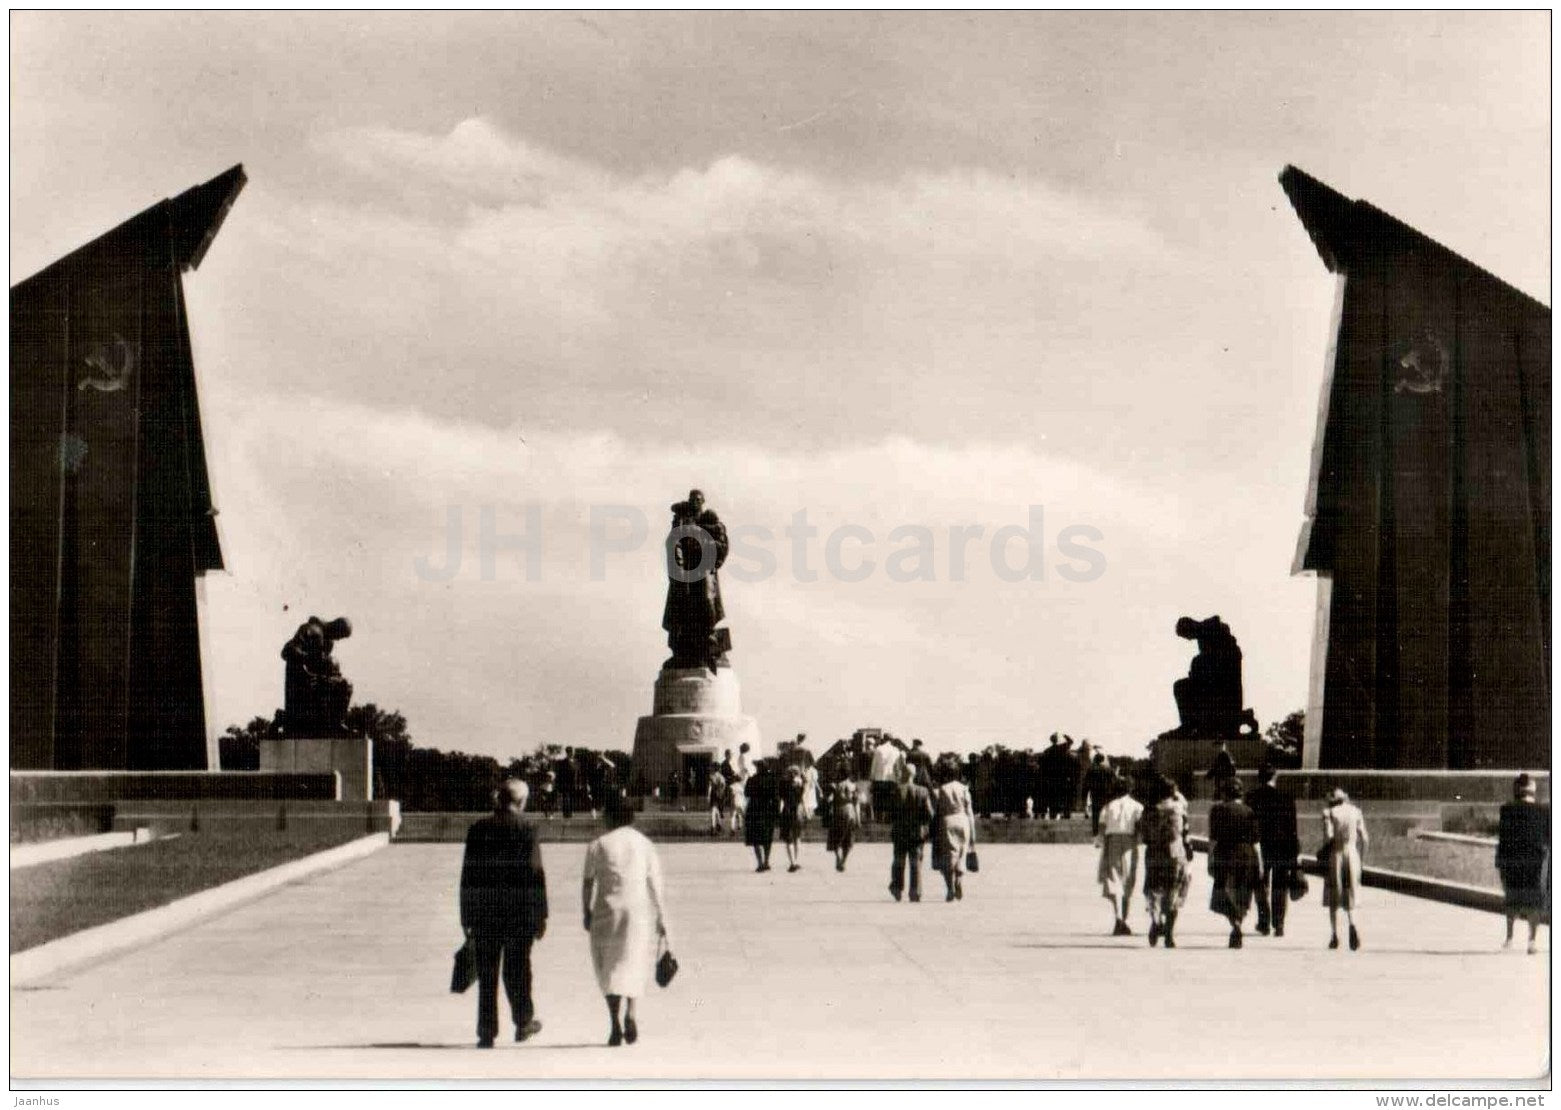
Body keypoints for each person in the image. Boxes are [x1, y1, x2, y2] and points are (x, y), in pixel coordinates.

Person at [459, 779, 548, 1048]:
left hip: (486, 913)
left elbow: (468, 876)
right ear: (521, 801)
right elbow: (535, 874)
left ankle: (486, 1031)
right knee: (518, 969)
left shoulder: (478, 828)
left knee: (487, 973)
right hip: (519, 914)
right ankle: (523, 1023)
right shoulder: (527, 828)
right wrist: (540, 915)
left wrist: (466, 915)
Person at [582, 792, 671, 1047]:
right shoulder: (643, 843)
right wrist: (661, 915)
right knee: (633, 961)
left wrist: (585, 911)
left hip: (606, 911)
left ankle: (614, 1023)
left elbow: (588, 882)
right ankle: (631, 1012)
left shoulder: (598, 844)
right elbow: (655, 882)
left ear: (609, 815)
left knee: (608, 965)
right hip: (637, 910)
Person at [1496, 773, 1549, 955]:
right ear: (1532, 791)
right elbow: (1548, 839)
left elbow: (1502, 839)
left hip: (1512, 861)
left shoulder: (1506, 810)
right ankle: (1532, 941)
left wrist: (1500, 863)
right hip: (1534, 860)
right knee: (1534, 903)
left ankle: (1510, 938)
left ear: (1516, 790)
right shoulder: (1544, 811)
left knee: (1512, 899)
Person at [1138, 774, 1193, 948]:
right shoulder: (1177, 809)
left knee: (1153, 888)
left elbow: (1143, 835)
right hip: (1174, 853)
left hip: (1153, 852)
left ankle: (1155, 919)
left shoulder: (1147, 811)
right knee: (1174, 889)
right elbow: (1184, 832)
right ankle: (1169, 932)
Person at [1207, 777, 1262, 948]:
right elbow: (1256, 842)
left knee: (1226, 891)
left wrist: (1210, 859)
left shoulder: (1217, 810)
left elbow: (1213, 840)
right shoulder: (1249, 811)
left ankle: (1235, 923)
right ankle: (1239, 919)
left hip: (1225, 853)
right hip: (1246, 854)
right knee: (1243, 892)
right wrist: (1260, 863)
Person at [1246, 765, 1300, 937]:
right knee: (1280, 886)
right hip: (1283, 848)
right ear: (1275, 777)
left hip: (1261, 847)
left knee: (1260, 885)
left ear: (1259, 777)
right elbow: (1293, 828)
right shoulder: (1286, 797)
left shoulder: (1251, 797)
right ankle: (1279, 924)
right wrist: (1296, 851)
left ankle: (1264, 921)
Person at [1321, 787, 1369, 951]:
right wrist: (1362, 858)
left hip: (1336, 854)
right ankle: (1352, 924)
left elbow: (1329, 836)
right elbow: (1365, 838)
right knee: (1351, 895)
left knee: (1334, 896)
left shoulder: (1329, 813)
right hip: (1353, 854)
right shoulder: (1356, 811)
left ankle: (1334, 935)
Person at [1096, 777, 1143, 935]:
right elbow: (1140, 826)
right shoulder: (1137, 806)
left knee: (1114, 879)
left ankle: (1118, 917)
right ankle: (1125, 919)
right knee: (1128, 880)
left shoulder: (1109, 806)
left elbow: (1102, 826)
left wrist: (1100, 842)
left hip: (1112, 841)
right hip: (1130, 842)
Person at [888, 761, 935, 903]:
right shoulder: (923, 791)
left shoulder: (896, 790)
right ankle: (915, 892)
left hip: (900, 830)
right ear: (914, 775)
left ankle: (897, 888)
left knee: (898, 860)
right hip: (917, 832)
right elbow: (929, 814)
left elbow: (890, 814)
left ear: (903, 773)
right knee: (915, 862)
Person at [931, 762, 977, 901]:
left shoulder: (941, 790)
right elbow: (970, 811)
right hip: (963, 820)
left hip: (947, 821)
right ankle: (959, 880)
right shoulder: (964, 789)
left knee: (948, 855)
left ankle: (950, 887)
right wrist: (973, 832)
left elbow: (937, 811)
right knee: (962, 853)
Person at [743, 759, 780, 872]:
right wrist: (776, 813)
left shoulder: (752, 779)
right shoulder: (772, 780)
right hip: (768, 811)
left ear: (757, 768)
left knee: (756, 839)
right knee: (767, 838)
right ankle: (766, 861)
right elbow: (776, 798)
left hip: (754, 810)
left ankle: (760, 863)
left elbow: (746, 793)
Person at [826, 765, 861, 872]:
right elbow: (857, 803)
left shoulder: (836, 786)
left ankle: (838, 857)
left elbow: (829, 800)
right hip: (850, 812)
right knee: (849, 838)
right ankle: (844, 861)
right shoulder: (854, 786)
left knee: (835, 836)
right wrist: (858, 819)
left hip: (839, 811)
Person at [778, 764, 807, 872]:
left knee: (788, 839)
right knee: (797, 838)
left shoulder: (782, 784)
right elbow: (802, 799)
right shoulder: (800, 786)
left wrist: (779, 812)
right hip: (797, 813)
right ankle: (796, 860)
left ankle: (792, 863)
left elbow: (781, 801)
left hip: (787, 811)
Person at [870, 738, 905, 823]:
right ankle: (888, 819)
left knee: (879, 798)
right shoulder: (896, 750)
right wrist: (898, 778)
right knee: (889, 799)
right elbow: (898, 766)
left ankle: (879, 818)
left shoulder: (878, 749)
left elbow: (874, 764)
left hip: (879, 778)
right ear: (891, 741)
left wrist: (872, 776)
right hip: (891, 779)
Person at [1082, 753, 1116, 836]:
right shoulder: (1108, 769)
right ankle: (1107, 830)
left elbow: (1086, 784)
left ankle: (1096, 832)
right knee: (1106, 813)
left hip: (1095, 794)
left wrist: (1084, 794)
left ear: (1095, 759)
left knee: (1096, 813)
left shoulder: (1091, 769)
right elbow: (1114, 782)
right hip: (1106, 794)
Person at [707, 769, 729, 836]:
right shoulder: (722, 777)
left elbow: (710, 787)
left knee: (714, 811)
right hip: (720, 796)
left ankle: (714, 827)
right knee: (718, 811)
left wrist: (708, 796)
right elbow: (724, 787)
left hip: (714, 796)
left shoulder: (712, 776)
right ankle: (718, 825)